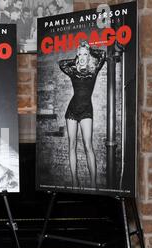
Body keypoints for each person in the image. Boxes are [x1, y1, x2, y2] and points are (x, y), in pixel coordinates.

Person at [59, 41, 106, 188]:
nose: (82, 56)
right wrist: (77, 60)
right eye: (80, 54)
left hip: (86, 110)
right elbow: (61, 63)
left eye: (85, 54)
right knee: (71, 145)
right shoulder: (73, 70)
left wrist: (88, 50)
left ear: (89, 55)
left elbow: (103, 55)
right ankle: (74, 180)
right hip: (71, 111)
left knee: (88, 146)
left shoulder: (94, 69)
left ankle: (93, 183)